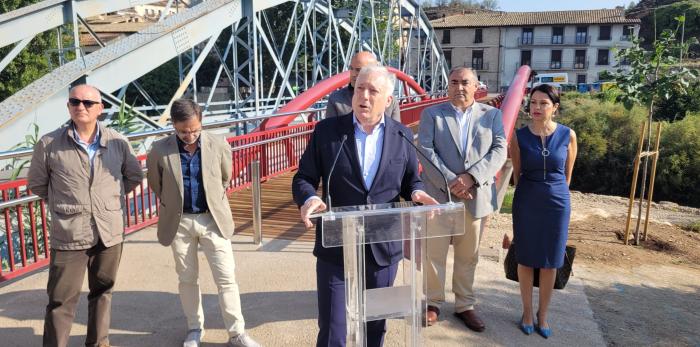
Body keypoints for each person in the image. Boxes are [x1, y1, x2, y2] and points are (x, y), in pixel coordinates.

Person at [292, 65, 438, 347]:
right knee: (333, 330)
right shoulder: (328, 132)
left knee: (375, 329)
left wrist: (418, 192)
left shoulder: (402, 135)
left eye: (374, 91)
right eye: (360, 88)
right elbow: (304, 178)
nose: (365, 96)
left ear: (389, 100)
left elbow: (412, 180)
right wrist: (309, 197)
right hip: (336, 248)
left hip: (383, 247)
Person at [27, 84, 143, 347]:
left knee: (103, 292)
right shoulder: (49, 144)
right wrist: (65, 203)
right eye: (75, 102)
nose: (81, 107)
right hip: (69, 232)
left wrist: (107, 201)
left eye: (88, 103)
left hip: (109, 230)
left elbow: (133, 176)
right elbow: (37, 183)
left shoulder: (117, 142)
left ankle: (99, 343)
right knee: (61, 300)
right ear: (68, 106)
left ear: (100, 109)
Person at [146, 99, 260, 347]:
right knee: (187, 279)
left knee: (226, 277)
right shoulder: (159, 150)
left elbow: (225, 176)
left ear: (201, 123)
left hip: (212, 219)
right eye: (183, 131)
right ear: (174, 125)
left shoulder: (217, 143)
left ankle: (237, 332)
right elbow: (157, 184)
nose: (190, 135)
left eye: (195, 130)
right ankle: (194, 329)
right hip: (180, 222)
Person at [417, 67, 507, 332]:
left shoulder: (492, 115)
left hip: (475, 195)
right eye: (454, 82)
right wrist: (452, 182)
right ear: (448, 85)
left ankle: (464, 305)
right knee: (434, 253)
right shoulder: (432, 114)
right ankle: (432, 303)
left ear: (476, 85)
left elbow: (499, 149)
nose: (459, 87)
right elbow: (425, 150)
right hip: (439, 196)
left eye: (465, 82)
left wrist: (471, 178)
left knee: (469, 256)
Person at [502, 84, 577, 338]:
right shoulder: (519, 136)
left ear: (555, 107)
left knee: (550, 260)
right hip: (527, 200)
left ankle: (543, 315)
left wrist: (555, 193)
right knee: (525, 257)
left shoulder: (569, 135)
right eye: (533, 102)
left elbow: (567, 176)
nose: (536, 107)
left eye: (543, 103)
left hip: (557, 202)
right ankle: (526, 312)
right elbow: (518, 175)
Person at [325, 51, 401, 122]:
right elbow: (329, 131)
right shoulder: (336, 99)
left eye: (359, 70)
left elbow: (396, 132)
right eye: (351, 69)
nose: (353, 74)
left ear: (374, 70)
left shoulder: (390, 101)